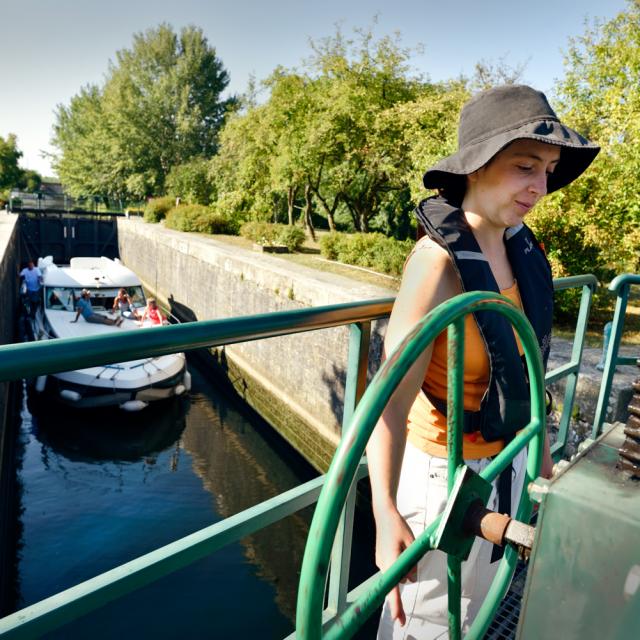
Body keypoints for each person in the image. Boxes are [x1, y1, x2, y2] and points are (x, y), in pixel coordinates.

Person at [367, 85, 599, 639]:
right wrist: (384, 513)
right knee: (426, 623)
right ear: (475, 167)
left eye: (547, 170)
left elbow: (528, 372)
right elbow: (386, 404)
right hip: (441, 476)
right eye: (525, 167)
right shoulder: (438, 264)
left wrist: (540, 457)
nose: (540, 187)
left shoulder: (523, 249)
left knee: (472, 614)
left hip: (506, 463)